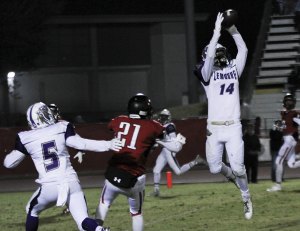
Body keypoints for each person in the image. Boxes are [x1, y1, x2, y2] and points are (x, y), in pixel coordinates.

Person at [3, 102, 122, 231]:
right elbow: (81, 144)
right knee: (83, 221)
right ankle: (99, 230)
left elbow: (9, 163)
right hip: (71, 183)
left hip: (49, 186)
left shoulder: (25, 137)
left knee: (32, 210)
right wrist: (108, 144)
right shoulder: (62, 127)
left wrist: (16, 151)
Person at [94, 94, 186, 231]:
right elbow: (174, 147)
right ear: (145, 110)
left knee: (103, 203)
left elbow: (115, 127)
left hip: (113, 174)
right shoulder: (153, 126)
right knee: (136, 213)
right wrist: (179, 141)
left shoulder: (119, 120)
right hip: (134, 177)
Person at [193, 12, 253, 219]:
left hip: (233, 126)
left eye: (219, 51)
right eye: (214, 51)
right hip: (214, 127)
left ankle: (246, 196)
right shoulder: (206, 74)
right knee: (214, 168)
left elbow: (243, 49)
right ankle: (236, 180)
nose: (217, 54)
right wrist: (216, 33)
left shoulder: (234, 69)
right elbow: (209, 58)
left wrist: (232, 29)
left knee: (238, 167)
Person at [151, 108, 201, 196]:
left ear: (168, 118)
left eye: (164, 117)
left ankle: (196, 161)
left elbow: (173, 141)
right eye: (161, 116)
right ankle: (156, 190)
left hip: (169, 150)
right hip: (164, 150)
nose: (162, 118)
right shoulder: (162, 126)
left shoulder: (169, 126)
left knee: (178, 172)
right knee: (156, 170)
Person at [267, 93, 300, 192]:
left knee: (278, 161)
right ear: (284, 102)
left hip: (290, 140)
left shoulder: (295, 113)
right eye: (287, 100)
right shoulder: (284, 114)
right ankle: (278, 185)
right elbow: (284, 127)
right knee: (291, 164)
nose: (289, 102)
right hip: (287, 139)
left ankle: (278, 185)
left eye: (290, 100)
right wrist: (278, 126)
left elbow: (296, 122)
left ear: (293, 102)